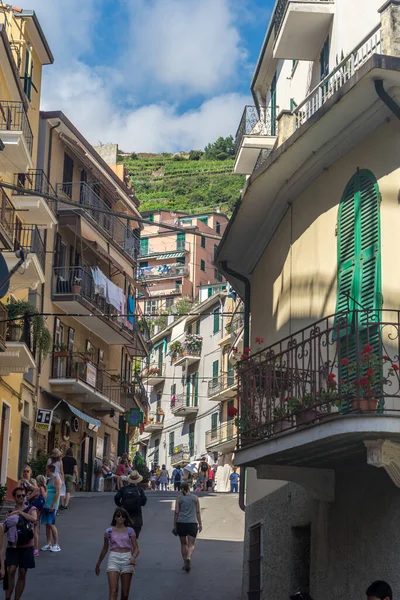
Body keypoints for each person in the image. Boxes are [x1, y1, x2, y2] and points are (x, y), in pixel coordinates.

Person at [95, 508, 139, 600]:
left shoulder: (130, 531)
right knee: (113, 591)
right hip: (113, 558)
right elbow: (105, 548)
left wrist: (133, 557)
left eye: (123, 516)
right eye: (118, 515)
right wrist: (98, 564)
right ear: (114, 517)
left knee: (125, 593)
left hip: (127, 558)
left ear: (125, 518)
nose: (120, 518)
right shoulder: (108, 532)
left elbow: (136, 548)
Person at [3, 486, 37, 599]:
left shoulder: (31, 509)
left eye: (23, 495)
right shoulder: (9, 512)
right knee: (11, 570)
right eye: (19, 496)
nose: (21, 498)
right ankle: (7, 597)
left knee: (22, 572)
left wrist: (19, 513)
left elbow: (34, 519)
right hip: (13, 546)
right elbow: (4, 528)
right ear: (14, 497)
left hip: (27, 546)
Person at [173, 482, 202, 572]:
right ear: (189, 488)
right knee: (191, 544)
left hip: (181, 522)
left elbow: (176, 512)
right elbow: (198, 512)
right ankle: (189, 557)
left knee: (183, 544)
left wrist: (174, 525)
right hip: (192, 523)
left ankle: (185, 562)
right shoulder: (195, 498)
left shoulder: (179, 498)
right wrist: (200, 524)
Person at [114, 471, 147, 539]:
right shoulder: (139, 490)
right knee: (134, 537)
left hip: (125, 515)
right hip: (137, 516)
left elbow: (116, 498)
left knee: (124, 535)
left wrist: (120, 505)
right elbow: (144, 502)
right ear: (137, 481)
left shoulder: (124, 489)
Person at [40, 464, 61, 552]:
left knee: (51, 524)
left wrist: (53, 504)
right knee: (47, 525)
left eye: (46, 470)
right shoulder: (48, 480)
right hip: (46, 505)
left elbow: (57, 492)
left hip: (52, 505)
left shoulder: (56, 479)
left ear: (49, 470)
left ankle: (56, 544)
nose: (46, 471)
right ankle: (48, 543)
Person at [26, 475, 47, 557]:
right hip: (39, 511)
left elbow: (28, 498)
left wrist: (29, 494)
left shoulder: (37, 489)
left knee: (33, 530)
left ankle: (34, 549)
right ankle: (35, 549)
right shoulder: (44, 489)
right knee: (35, 529)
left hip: (33, 511)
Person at [47, 449, 65, 515]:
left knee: (51, 491)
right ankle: (55, 508)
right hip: (57, 476)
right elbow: (61, 471)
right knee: (57, 492)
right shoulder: (60, 461)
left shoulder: (50, 460)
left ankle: (52, 507)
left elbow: (47, 468)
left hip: (51, 476)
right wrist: (63, 480)